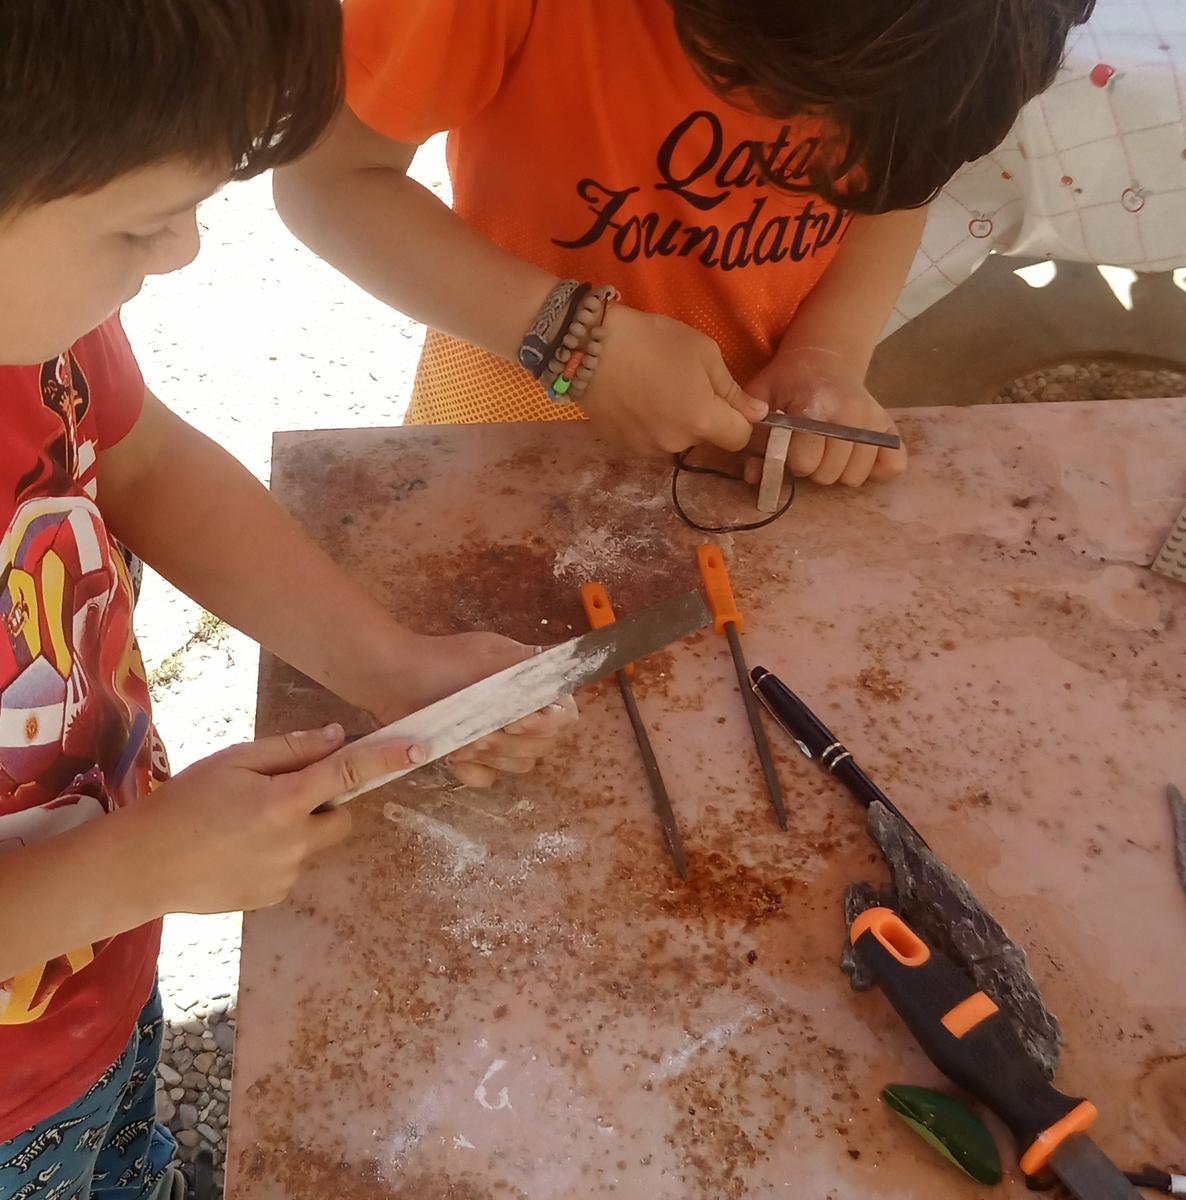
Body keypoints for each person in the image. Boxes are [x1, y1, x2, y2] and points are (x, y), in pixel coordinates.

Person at [0, 4, 571, 1197]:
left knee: (128, 1158)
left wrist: (389, 662)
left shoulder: (37, 323)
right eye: (146, 222)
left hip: (94, 981)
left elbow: (144, 457)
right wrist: (129, 873)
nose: (185, 255)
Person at [275, 0, 1095, 490]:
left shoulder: (952, 39)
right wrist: (573, 339)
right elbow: (325, 181)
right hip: (509, 412)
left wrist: (829, 354)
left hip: (744, 455)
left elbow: (901, 181)